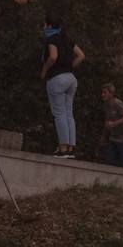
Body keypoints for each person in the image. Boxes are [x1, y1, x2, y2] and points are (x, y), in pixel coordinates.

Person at [40, 15, 84, 156]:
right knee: (68, 113)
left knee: (59, 114)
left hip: (57, 79)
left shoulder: (51, 39)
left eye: (44, 24)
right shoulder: (68, 39)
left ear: (49, 26)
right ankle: (71, 148)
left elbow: (53, 56)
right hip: (71, 78)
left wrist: (45, 70)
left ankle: (62, 148)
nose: (43, 27)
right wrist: (69, 66)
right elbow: (81, 55)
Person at [101, 82, 123, 168]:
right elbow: (107, 121)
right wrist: (104, 136)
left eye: (105, 92)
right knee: (109, 161)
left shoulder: (117, 103)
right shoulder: (106, 106)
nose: (103, 95)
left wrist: (114, 124)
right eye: (102, 92)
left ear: (111, 94)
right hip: (114, 138)